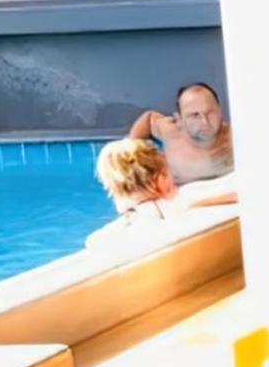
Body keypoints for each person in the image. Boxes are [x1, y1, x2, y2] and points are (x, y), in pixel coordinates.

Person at [86, 139, 235, 249]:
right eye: (168, 173)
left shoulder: (127, 225)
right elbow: (237, 190)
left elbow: (92, 242)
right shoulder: (180, 200)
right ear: (160, 178)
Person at [128, 82, 234, 185]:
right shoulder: (171, 132)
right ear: (180, 119)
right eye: (195, 115)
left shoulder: (235, 137)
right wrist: (129, 155)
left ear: (219, 109)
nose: (204, 122)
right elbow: (149, 118)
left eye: (210, 112)